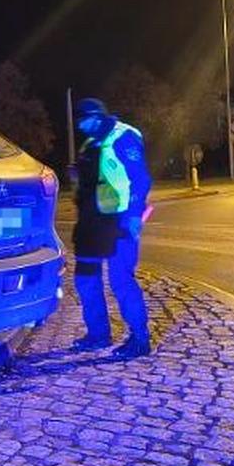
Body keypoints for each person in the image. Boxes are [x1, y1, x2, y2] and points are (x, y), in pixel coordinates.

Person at [70, 97, 153, 358]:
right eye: (79, 121)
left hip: (118, 221)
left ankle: (140, 339)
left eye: (85, 120)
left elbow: (140, 179)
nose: (81, 126)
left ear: (97, 115)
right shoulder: (90, 142)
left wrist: (133, 218)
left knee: (120, 280)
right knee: (85, 279)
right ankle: (98, 334)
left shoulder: (123, 136)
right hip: (91, 224)